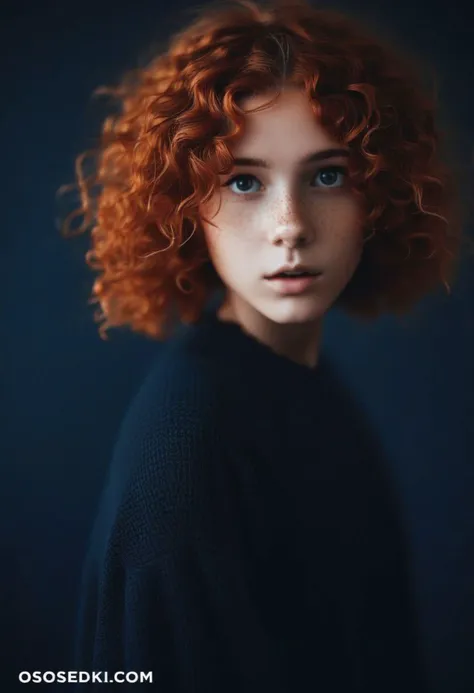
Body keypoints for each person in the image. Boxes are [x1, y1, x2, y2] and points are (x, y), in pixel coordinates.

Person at [58, 0, 467, 690]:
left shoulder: (298, 376)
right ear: (183, 205)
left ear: (381, 192)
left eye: (327, 174)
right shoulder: (185, 455)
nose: (290, 226)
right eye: (243, 180)